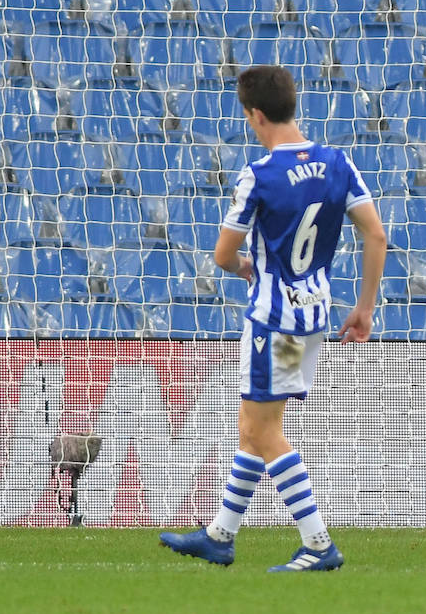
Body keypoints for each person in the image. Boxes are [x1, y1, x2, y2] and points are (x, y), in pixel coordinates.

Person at [160, 65, 386, 572]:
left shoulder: (259, 175)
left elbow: (223, 255)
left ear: (255, 114)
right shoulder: (337, 163)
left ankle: (319, 544)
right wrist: (365, 307)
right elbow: (375, 235)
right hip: (313, 318)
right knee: (255, 426)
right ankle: (220, 535)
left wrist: (244, 268)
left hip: (273, 321)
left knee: (265, 433)